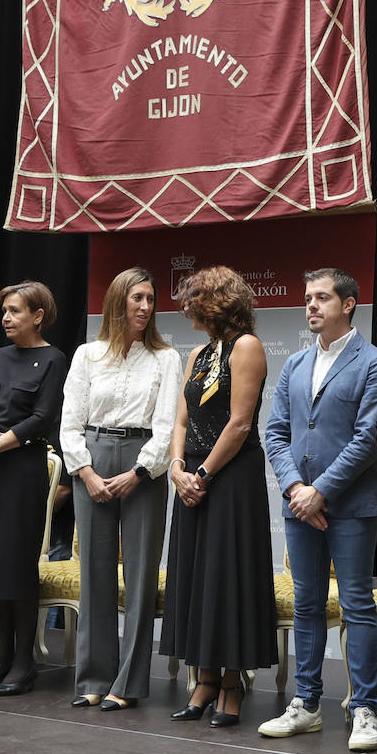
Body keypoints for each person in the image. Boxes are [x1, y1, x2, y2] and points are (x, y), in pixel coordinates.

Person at [259, 268, 377, 751]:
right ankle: (306, 704)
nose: (311, 306)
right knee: (308, 603)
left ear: (348, 304)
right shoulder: (293, 363)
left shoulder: (374, 362)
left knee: (356, 604)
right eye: (307, 298)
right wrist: (297, 487)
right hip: (299, 504)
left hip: (351, 506)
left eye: (321, 298)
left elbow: (367, 438)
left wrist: (322, 492)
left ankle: (365, 711)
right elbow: (274, 432)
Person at [59, 267, 181, 710]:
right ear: (117, 302)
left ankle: (127, 684)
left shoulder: (166, 357)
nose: (146, 307)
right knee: (95, 572)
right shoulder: (86, 355)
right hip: (92, 458)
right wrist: (86, 473)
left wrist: (141, 472)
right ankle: (92, 678)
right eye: (138, 299)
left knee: (141, 574)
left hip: (141, 464)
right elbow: (70, 422)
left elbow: (166, 425)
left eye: (151, 299)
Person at [160, 265, 275, 728]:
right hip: (193, 479)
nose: (185, 307)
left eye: (193, 298)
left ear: (217, 302)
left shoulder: (246, 347)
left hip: (230, 478)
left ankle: (232, 682)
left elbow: (241, 423)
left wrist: (203, 474)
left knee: (227, 577)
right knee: (196, 577)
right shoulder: (198, 355)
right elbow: (182, 422)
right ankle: (203, 678)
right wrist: (176, 468)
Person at [0, 281, 68, 697]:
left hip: (22, 472)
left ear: (37, 315)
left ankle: (24, 662)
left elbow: (40, 420)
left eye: (15, 311)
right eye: (4, 310)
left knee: (16, 568)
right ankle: (0, 659)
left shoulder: (54, 359)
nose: (6, 318)